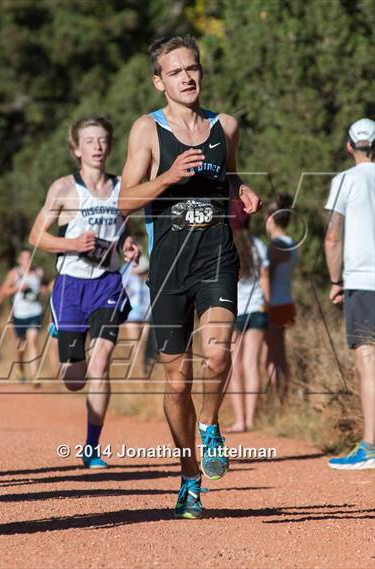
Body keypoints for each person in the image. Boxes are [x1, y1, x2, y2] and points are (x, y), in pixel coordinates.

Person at [119, 35, 262, 518]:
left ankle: (210, 427)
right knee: (177, 383)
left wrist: (243, 190)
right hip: (168, 268)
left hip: (217, 257)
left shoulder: (226, 126)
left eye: (192, 68)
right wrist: (168, 176)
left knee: (219, 352)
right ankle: (188, 477)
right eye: (175, 71)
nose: (187, 77)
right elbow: (124, 201)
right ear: (159, 81)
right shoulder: (147, 130)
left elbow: (232, 174)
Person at [29, 116, 140, 469]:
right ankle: (61, 330)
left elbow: (125, 233)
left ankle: (92, 448)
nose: (97, 146)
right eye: (89, 141)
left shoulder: (124, 186)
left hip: (108, 283)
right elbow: (36, 237)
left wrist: (129, 246)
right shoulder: (64, 188)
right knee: (74, 379)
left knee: (101, 364)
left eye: (103, 140)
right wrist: (71, 243)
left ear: (109, 145)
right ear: (76, 149)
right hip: (71, 285)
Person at [324, 117, 375, 470]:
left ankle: (371, 445)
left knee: (367, 362)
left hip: (361, 279)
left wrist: (334, 280)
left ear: (348, 146)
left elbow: (331, 237)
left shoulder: (344, 180)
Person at [225, 201, 270, 433]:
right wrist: (269, 307)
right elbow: (265, 279)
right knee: (252, 365)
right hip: (257, 310)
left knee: (235, 367)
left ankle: (240, 420)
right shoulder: (257, 245)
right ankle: (251, 420)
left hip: (234, 311)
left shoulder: (226, 247)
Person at [263, 194, 298, 401]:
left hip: (274, 304)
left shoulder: (275, 246)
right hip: (287, 302)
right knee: (279, 355)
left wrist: (265, 304)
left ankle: (280, 400)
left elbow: (266, 275)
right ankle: (282, 398)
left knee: (272, 358)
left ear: (270, 218)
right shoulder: (292, 243)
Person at [0, 249, 46, 383]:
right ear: (19, 260)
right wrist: (17, 288)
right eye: (24, 258)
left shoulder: (39, 272)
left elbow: (44, 286)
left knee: (33, 341)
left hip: (35, 312)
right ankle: (20, 368)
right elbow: (3, 290)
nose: (27, 261)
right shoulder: (15, 273)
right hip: (20, 314)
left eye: (29, 258)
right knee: (21, 345)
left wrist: (45, 289)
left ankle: (35, 375)